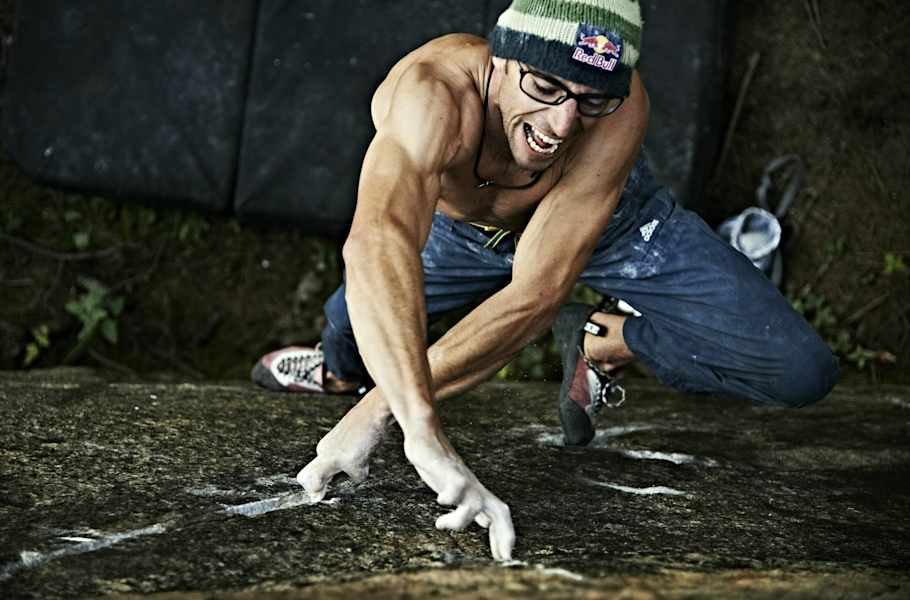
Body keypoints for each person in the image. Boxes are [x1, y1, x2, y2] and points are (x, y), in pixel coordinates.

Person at [251, 0, 839, 561]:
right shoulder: (434, 93)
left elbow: (534, 294)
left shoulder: (616, 110)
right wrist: (411, 413)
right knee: (354, 324)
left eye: (589, 99)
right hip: (462, 233)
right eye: (545, 87)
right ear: (503, 59)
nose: (561, 124)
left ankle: (605, 340)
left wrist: (391, 413)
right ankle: (338, 373)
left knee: (799, 370)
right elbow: (378, 240)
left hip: (604, 222)